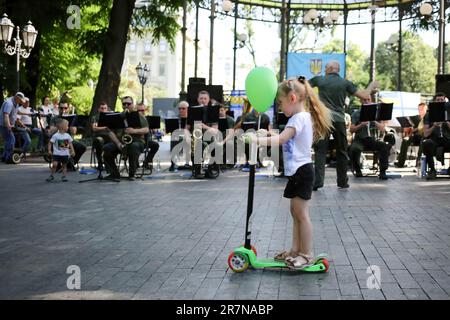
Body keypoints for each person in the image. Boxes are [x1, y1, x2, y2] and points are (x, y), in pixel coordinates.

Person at [247, 76, 332, 269]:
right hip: (297, 172)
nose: (279, 107)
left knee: (301, 214)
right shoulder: (299, 117)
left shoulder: (299, 118)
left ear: (292, 98)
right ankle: (295, 251)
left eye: (280, 102)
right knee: (295, 212)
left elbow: (282, 140)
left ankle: (306, 254)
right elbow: (284, 137)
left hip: (302, 172)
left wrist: (256, 140)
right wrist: (267, 134)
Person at [309, 61, 371, 190]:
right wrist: (372, 85)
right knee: (342, 151)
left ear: (331, 68)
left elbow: (303, 84)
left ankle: (317, 182)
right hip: (339, 121)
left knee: (320, 151)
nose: (324, 70)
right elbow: (364, 96)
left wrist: (299, 79)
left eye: (325, 68)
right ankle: (342, 182)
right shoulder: (345, 83)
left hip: (324, 120)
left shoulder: (320, 80)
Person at [103, 96, 149, 180]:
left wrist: (133, 131)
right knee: (107, 148)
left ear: (133, 104)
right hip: (121, 142)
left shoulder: (138, 115)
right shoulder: (117, 116)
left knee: (133, 147)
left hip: (137, 141)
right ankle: (114, 173)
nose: (126, 105)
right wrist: (118, 143)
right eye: (124, 104)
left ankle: (132, 174)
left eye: (129, 103)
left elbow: (146, 129)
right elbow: (109, 131)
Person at [348, 106, 391, 180]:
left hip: (372, 140)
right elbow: (351, 130)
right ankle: (358, 170)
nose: (367, 102)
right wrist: (361, 125)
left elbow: (383, 129)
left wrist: (374, 121)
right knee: (355, 148)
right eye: (365, 100)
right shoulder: (356, 113)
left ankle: (383, 171)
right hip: (360, 140)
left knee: (384, 146)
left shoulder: (376, 114)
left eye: (368, 100)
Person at [48, 102, 86, 168]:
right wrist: (60, 125)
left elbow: (74, 132)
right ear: (58, 108)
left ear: (68, 109)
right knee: (65, 145)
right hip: (58, 140)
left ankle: (72, 162)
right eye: (61, 108)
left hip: (70, 140)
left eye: (65, 108)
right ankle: (63, 163)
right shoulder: (54, 118)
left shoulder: (72, 118)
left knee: (82, 147)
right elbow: (51, 131)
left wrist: (71, 126)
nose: (63, 110)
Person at [421, 92, 450, 180]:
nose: (440, 102)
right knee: (427, 143)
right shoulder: (428, 114)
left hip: (447, 139)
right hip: (434, 139)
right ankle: (432, 170)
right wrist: (434, 126)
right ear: (434, 101)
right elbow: (425, 133)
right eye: (438, 100)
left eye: (442, 100)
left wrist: (447, 122)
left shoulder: (449, 112)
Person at [91, 102, 123, 170]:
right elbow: (94, 128)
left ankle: (109, 163)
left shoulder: (111, 117)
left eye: (105, 108)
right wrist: (105, 128)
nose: (103, 110)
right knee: (99, 141)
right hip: (100, 135)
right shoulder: (95, 117)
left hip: (110, 136)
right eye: (102, 108)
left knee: (114, 143)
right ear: (98, 109)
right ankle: (100, 163)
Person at [395, 103, 428, 168]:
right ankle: (400, 163)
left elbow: (424, 127)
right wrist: (408, 129)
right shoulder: (416, 117)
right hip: (416, 136)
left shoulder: (428, 117)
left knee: (422, 142)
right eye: (419, 109)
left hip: (424, 136)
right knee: (405, 140)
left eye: (422, 109)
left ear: (426, 109)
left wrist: (415, 129)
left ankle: (418, 164)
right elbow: (413, 129)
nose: (420, 111)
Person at [0, 92, 27, 163]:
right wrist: (8, 126)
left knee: (8, 141)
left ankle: (4, 157)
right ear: (17, 98)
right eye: (20, 101)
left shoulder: (16, 103)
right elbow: (6, 115)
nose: (21, 102)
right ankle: (8, 158)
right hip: (4, 125)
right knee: (11, 140)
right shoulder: (9, 104)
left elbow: (17, 112)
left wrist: (28, 114)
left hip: (7, 125)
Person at [137, 103, 160, 170]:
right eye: (139, 110)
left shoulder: (148, 118)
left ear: (145, 110)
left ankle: (146, 162)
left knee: (156, 145)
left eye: (143, 110)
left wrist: (153, 129)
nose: (141, 112)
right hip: (138, 140)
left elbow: (155, 131)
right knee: (135, 146)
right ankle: (135, 163)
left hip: (147, 140)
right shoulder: (134, 119)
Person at [169, 101, 190, 171]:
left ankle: (188, 163)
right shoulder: (175, 118)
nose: (181, 110)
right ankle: (172, 163)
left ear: (187, 109)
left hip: (189, 137)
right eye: (179, 108)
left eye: (183, 108)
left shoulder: (191, 118)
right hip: (178, 136)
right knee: (174, 138)